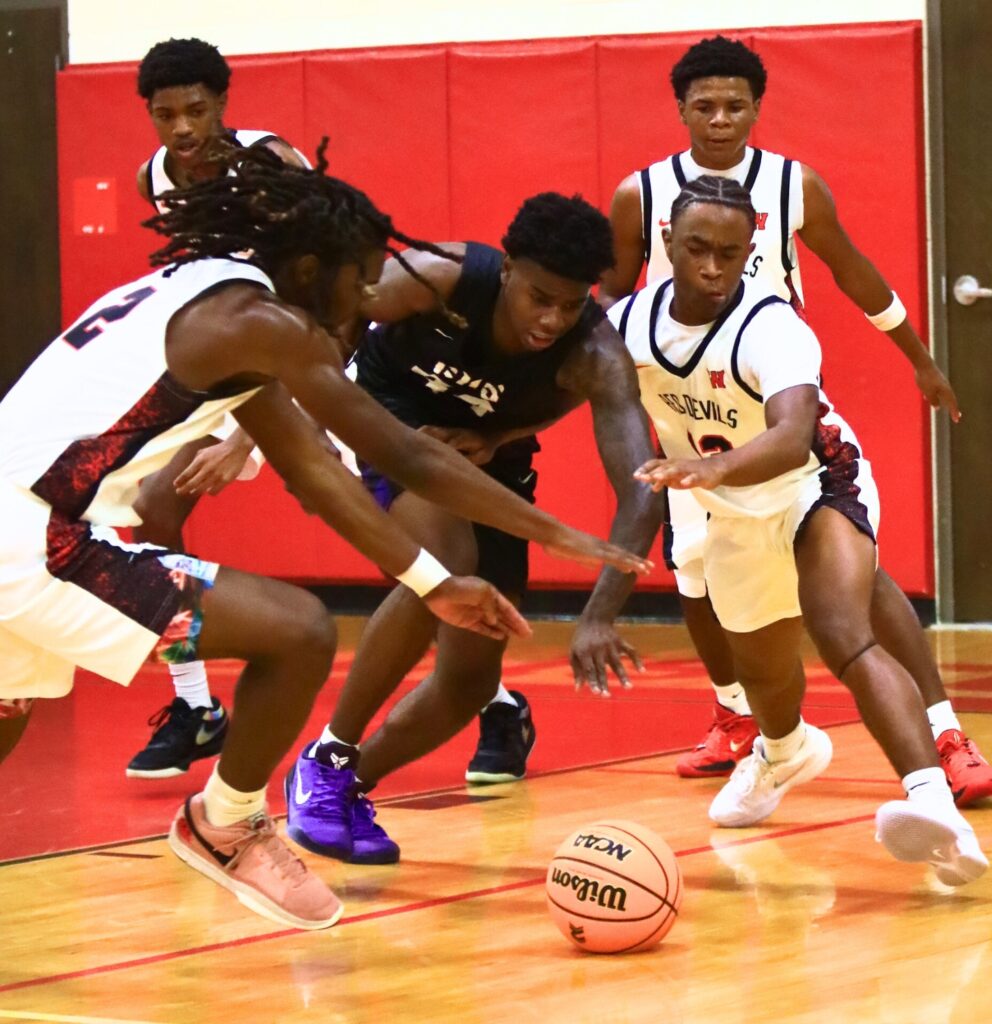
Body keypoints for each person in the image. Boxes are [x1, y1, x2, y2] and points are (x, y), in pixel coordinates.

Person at [0, 146, 650, 929]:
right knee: (301, 632)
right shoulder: (270, 325)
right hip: (36, 541)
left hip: (33, 527)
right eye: (363, 276)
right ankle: (226, 822)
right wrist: (558, 535)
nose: (372, 294)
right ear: (313, 266)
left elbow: (314, 474)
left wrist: (434, 585)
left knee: (9, 707)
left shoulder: (219, 299)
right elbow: (403, 453)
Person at [601, 35, 992, 806]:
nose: (720, 119)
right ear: (680, 108)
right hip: (690, 405)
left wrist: (917, 357)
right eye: (704, 105)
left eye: (736, 105)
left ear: (757, 108)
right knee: (695, 570)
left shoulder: (792, 186)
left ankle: (945, 733)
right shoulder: (641, 195)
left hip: (778, 396)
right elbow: (608, 300)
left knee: (855, 572)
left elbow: (851, 269)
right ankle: (738, 717)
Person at [624, 175, 987, 885]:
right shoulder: (628, 324)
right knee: (764, 675)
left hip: (818, 484)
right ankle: (784, 751)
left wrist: (712, 472)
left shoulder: (772, 325)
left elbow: (792, 438)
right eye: (697, 248)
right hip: (731, 512)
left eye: (730, 253)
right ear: (665, 241)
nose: (711, 267)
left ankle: (937, 806)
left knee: (843, 630)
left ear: (749, 251)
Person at [283, 192, 662, 864]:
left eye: (570, 305)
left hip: (487, 465)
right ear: (508, 268)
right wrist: (306, 427)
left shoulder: (595, 354)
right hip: (387, 422)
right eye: (539, 297)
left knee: (467, 675)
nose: (552, 319)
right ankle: (326, 754)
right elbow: (331, 314)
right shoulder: (446, 274)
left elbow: (642, 492)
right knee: (446, 561)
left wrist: (599, 615)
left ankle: (345, 789)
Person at [126, 37, 315, 781]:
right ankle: (197, 706)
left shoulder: (270, 164)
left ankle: (490, 698)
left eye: (196, 111)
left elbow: (315, 289)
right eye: (165, 114)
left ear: (224, 106)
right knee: (152, 507)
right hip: (229, 371)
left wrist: (245, 435)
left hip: (309, 358)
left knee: (399, 537)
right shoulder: (155, 178)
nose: (180, 128)